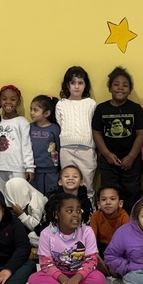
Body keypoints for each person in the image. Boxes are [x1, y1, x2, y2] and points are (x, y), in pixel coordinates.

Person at [28, 193, 111, 284]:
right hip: (57, 276)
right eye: (69, 211)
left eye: (78, 211)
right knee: (34, 280)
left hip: (80, 274)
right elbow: (46, 264)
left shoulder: (87, 231)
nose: (75, 215)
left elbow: (91, 261)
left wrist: (75, 279)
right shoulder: (46, 234)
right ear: (56, 215)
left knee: (99, 279)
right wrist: (64, 280)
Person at [92, 66, 143, 210]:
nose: (120, 88)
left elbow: (142, 133)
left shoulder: (136, 109)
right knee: (109, 192)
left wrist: (131, 157)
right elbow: (96, 132)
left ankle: (131, 223)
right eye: (116, 84)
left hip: (131, 159)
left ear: (130, 90)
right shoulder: (101, 109)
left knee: (131, 192)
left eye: (125, 85)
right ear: (109, 88)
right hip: (108, 160)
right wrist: (106, 154)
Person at [55, 66, 98, 201]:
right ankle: (69, 211)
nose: (76, 87)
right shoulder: (61, 104)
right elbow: (60, 123)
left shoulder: (90, 103)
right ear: (67, 85)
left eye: (80, 83)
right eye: (73, 83)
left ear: (85, 85)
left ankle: (88, 213)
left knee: (87, 184)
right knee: (68, 184)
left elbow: (93, 125)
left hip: (87, 150)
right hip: (66, 150)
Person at [0, 85, 33, 198]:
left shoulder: (22, 122)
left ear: (18, 102)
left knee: (18, 198)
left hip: (17, 167)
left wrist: (29, 167)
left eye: (13, 99)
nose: (8, 102)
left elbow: (26, 146)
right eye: (4, 99)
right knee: (1, 198)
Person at [34, 165, 94, 232]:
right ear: (60, 182)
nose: (70, 178)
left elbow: (88, 222)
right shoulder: (54, 200)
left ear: (81, 182)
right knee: (32, 236)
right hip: (55, 233)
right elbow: (47, 220)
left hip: (78, 233)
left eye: (75, 176)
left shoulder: (85, 201)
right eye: (66, 176)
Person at [89, 183, 129, 274]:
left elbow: (127, 240)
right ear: (99, 204)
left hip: (118, 249)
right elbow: (92, 238)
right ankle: (104, 266)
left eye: (112, 199)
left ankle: (112, 266)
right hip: (101, 247)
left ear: (120, 203)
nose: (108, 202)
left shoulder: (124, 216)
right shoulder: (96, 216)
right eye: (103, 199)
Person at [28, 95, 61, 195]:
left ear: (46, 113)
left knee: (52, 196)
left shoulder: (55, 129)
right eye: (31, 109)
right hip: (34, 171)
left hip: (51, 170)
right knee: (36, 197)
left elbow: (59, 148)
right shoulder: (29, 128)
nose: (32, 113)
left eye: (35, 110)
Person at [5, 177, 48, 247]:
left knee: (31, 237)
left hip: (42, 230)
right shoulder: (14, 201)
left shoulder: (36, 203)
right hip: (28, 228)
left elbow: (36, 226)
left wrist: (21, 214)